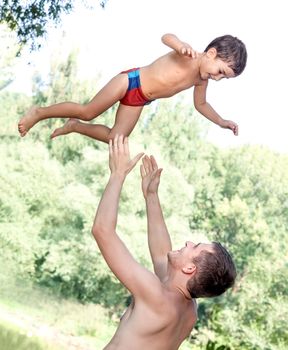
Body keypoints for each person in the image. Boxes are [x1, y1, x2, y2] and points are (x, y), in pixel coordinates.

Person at [92, 134, 236, 349]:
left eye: (194, 247)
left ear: (189, 268)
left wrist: (117, 174)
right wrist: (151, 196)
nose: (188, 242)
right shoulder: (188, 312)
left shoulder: (155, 296)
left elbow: (102, 231)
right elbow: (161, 255)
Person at [18, 33, 247, 141]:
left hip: (139, 100)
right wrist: (180, 45)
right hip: (131, 81)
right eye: (221, 72)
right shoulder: (189, 55)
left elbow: (201, 104)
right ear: (211, 53)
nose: (217, 79)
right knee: (89, 111)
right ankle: (40, 112)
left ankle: (75, 127)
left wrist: (221, 122)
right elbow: (166, 37)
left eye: (224, 78)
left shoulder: (201, 80)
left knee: (115, 139)